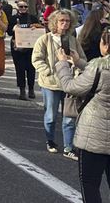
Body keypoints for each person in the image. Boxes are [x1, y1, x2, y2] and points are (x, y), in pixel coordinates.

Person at [54, 29, 109, 202]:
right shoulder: (98, 70)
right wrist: (79, 62)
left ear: (106, 46)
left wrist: (63, 64)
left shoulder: (99, 70)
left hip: (94, 136)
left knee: (90, 183)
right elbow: (97, 75)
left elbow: (71, 86)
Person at [32, 9, 86, 159]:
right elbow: (36, 59)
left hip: (69, 83)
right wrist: (49, 71)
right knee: (51, 115)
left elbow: (82, 58)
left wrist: (76, 64)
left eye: (67, 21)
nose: (65, 24)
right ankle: (50, 140)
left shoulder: (72, 40)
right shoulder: (45, 39)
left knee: (69, 117)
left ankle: (69, 147)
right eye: (62, 21)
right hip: (51, 84)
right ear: (54, 22)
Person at [9, 0, 41, 100]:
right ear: (17, 8)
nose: (23, 9)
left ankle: (31, 89)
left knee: (31, 69)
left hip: (30, 48)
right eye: (21, 7)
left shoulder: (32, 18)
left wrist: (35, 27)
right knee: (20, 69)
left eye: (25, 7)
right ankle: (22, 90)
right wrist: (13, 28)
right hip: (17, 48)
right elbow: (9, 32)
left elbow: (40, 29)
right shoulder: (13, 18)